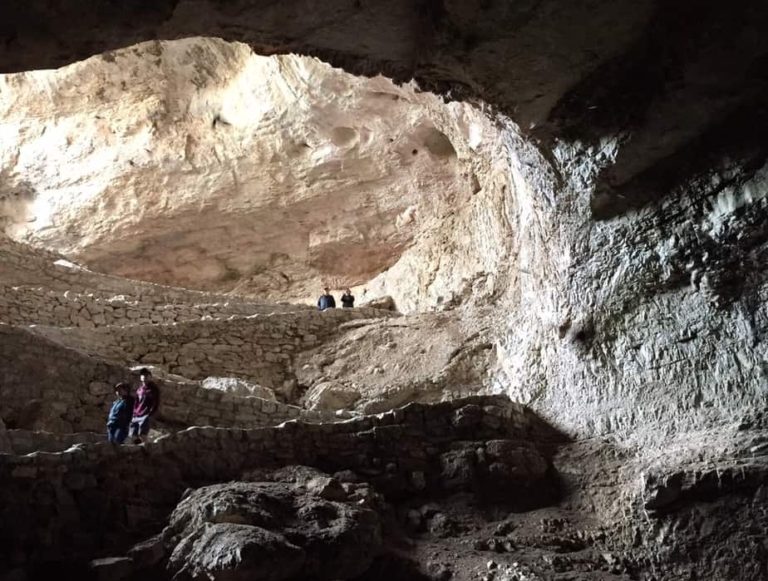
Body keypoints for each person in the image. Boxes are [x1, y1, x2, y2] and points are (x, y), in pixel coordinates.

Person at [129, 368, 160, 444]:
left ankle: (147, 452)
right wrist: (134, 413)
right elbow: (136, 402)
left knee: (142, 435)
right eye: (142, 375)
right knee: (133, 436)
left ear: (150, 376)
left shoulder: (153, 389)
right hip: (137, 415)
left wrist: (150, 414)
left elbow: (156, 402)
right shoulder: (140, 389)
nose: (144, 376)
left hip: (145, 414)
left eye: (146, 375)